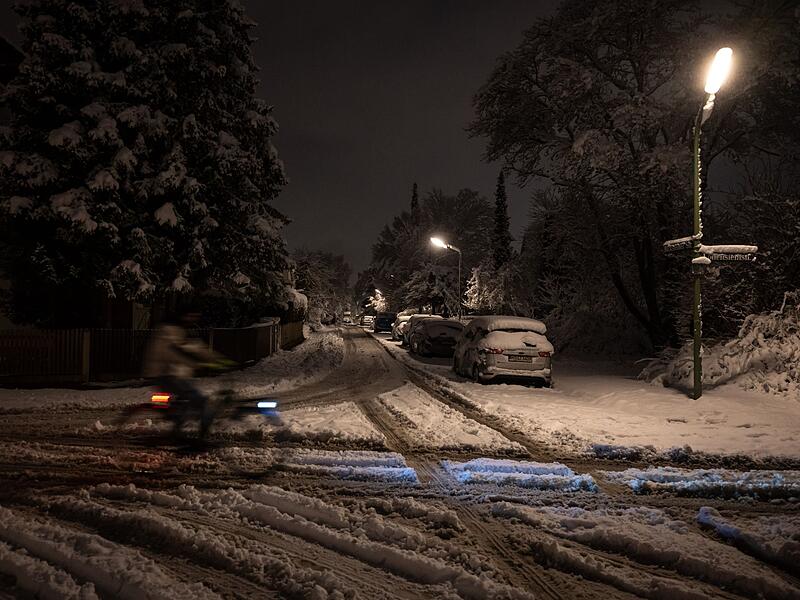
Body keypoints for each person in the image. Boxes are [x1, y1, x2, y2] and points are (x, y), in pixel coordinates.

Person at [142, 309, 231, 437]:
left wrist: (222, 361)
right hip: (164, 375)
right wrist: (198, 363)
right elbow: (175, 353)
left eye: (195, 317)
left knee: (187, 404)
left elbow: (199, 349)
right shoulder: (168, 331)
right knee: (201, 402)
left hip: (177, 375)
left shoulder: (183, 331)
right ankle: (200, 437)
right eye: (190, 316)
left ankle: (179, 427)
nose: (193, 320)